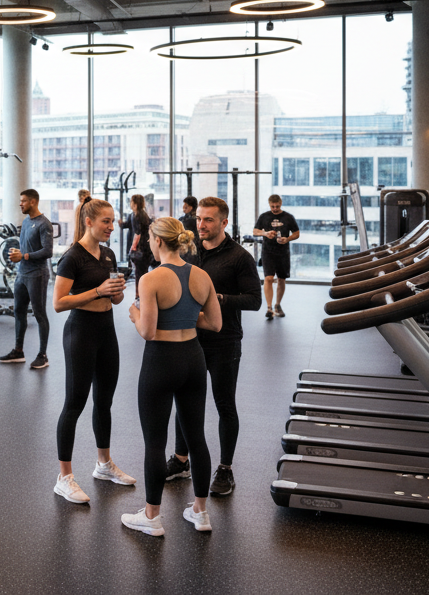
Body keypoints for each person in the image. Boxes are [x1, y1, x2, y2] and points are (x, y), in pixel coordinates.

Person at [122, 217, 222, 537]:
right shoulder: (202, 276)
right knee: (196, 438)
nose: (149, 243)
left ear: (158, 241)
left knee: (155, 442)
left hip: (161, 361)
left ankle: (151, 518)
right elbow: (215, 324)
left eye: (150, 239)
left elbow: (148, 331)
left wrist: (136, 314)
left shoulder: (151, 279)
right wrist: (188, 314)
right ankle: (201, 512)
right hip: (193, 359)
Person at [167, 196, 262, 497]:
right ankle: (181, 460)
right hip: (191, 339)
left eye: (208, 220)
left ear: (224, 222)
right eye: (199, 219)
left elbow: (254, 300)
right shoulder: (191, 253)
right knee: (184, 402)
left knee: (224, 405)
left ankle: (225, 469)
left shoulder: (239, 257)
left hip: (225, 342)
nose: (201, 224)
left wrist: (217, 299)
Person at [51, 199, 134, 505]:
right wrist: (98, 291)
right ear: (88, 221)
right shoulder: (73, 257)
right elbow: (58, 303)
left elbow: (112, 300)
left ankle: (103, 464)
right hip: (80, 332)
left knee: (105, 401)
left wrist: (115, 292)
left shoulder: (108, 253)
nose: (112, 227)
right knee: (74, 403)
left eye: (113, 222)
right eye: (106, 222)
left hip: (106, 330)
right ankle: (64, 477)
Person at [0, 189, 54, 369]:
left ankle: (43, 355)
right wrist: (18, 254)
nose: (20, 204)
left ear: (33, 202)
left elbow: (47, 252)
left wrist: (23, 256)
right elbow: (25, 249)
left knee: (39, 314)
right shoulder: (25, 221)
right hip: (22, 273)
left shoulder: (44, 224)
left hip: (37, 274)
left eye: (23, 201)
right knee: (18, 311)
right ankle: (18, 351)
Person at [252, 194, 300, 318]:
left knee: (281, 279)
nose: (275, 208)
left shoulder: (288, 217)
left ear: (281, 203)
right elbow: (255, 231)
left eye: (277, 206)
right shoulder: (264, 216)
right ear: (269, 204)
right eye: (272, 206)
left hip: (283, 252)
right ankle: (269, 308)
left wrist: (287, 239)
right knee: (268, 278)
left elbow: (297, 233)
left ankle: (277, 304)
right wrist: (266, 233)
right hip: (268, 251)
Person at [127, 194, 153, 290]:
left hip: (141, 247)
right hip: (146, 246)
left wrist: (133, 247)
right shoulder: (143, 214)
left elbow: (138, 233)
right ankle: (142, 293)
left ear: (134, 203)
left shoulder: (137, 215)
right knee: (143, 272)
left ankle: (139, 294)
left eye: (131, 201)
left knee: (139, 272)